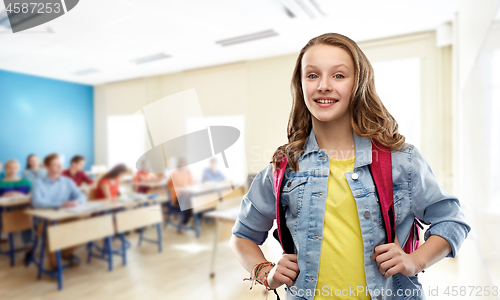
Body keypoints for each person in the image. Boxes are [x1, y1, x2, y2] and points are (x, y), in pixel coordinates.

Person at [230, 33, 471, 300]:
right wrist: (265, 272)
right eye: (312, 75)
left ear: (358, 83)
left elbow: (452, 221)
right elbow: (242, 236)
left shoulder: (401, 159)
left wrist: (415, 261)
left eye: (338, 75)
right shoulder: (284, 167)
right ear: (300, 85)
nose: (323, 85)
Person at [32, 153, 87, 269]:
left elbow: (81, 196)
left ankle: (65, 253)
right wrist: (61, 204)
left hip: (66, 215)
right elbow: (36, 203)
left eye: (60, 165)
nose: (60, 167)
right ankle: (54, 265)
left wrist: (78, 202)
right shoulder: (39, 183)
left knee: (84, 226)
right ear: (46, 167)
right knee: (53, 230)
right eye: (55, 165)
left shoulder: (67, 181)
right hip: (45, 220)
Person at [0, 159, 33, 264]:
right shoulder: (1, 182)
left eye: (15, 167)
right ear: (5, 169)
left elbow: (32, 195)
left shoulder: (25, 181)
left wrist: (21, 195)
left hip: (23, 210)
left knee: (26, 221)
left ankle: (29, 248)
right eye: (9, 167)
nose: (12, 170)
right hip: (4, 211)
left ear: (18, 169)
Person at [167, 158, 194, 225]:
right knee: (190, 201)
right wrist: (185, 173)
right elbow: (182, 185)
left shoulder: (187, 173)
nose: (183, 165)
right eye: (181, 163)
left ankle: (192, 217)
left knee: (195, 199)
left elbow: (192, 184)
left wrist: (189, 173)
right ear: (178, 164)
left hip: (185, 195)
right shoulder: (175, 173)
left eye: (184, 164)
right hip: (177, 197)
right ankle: (186, 219)